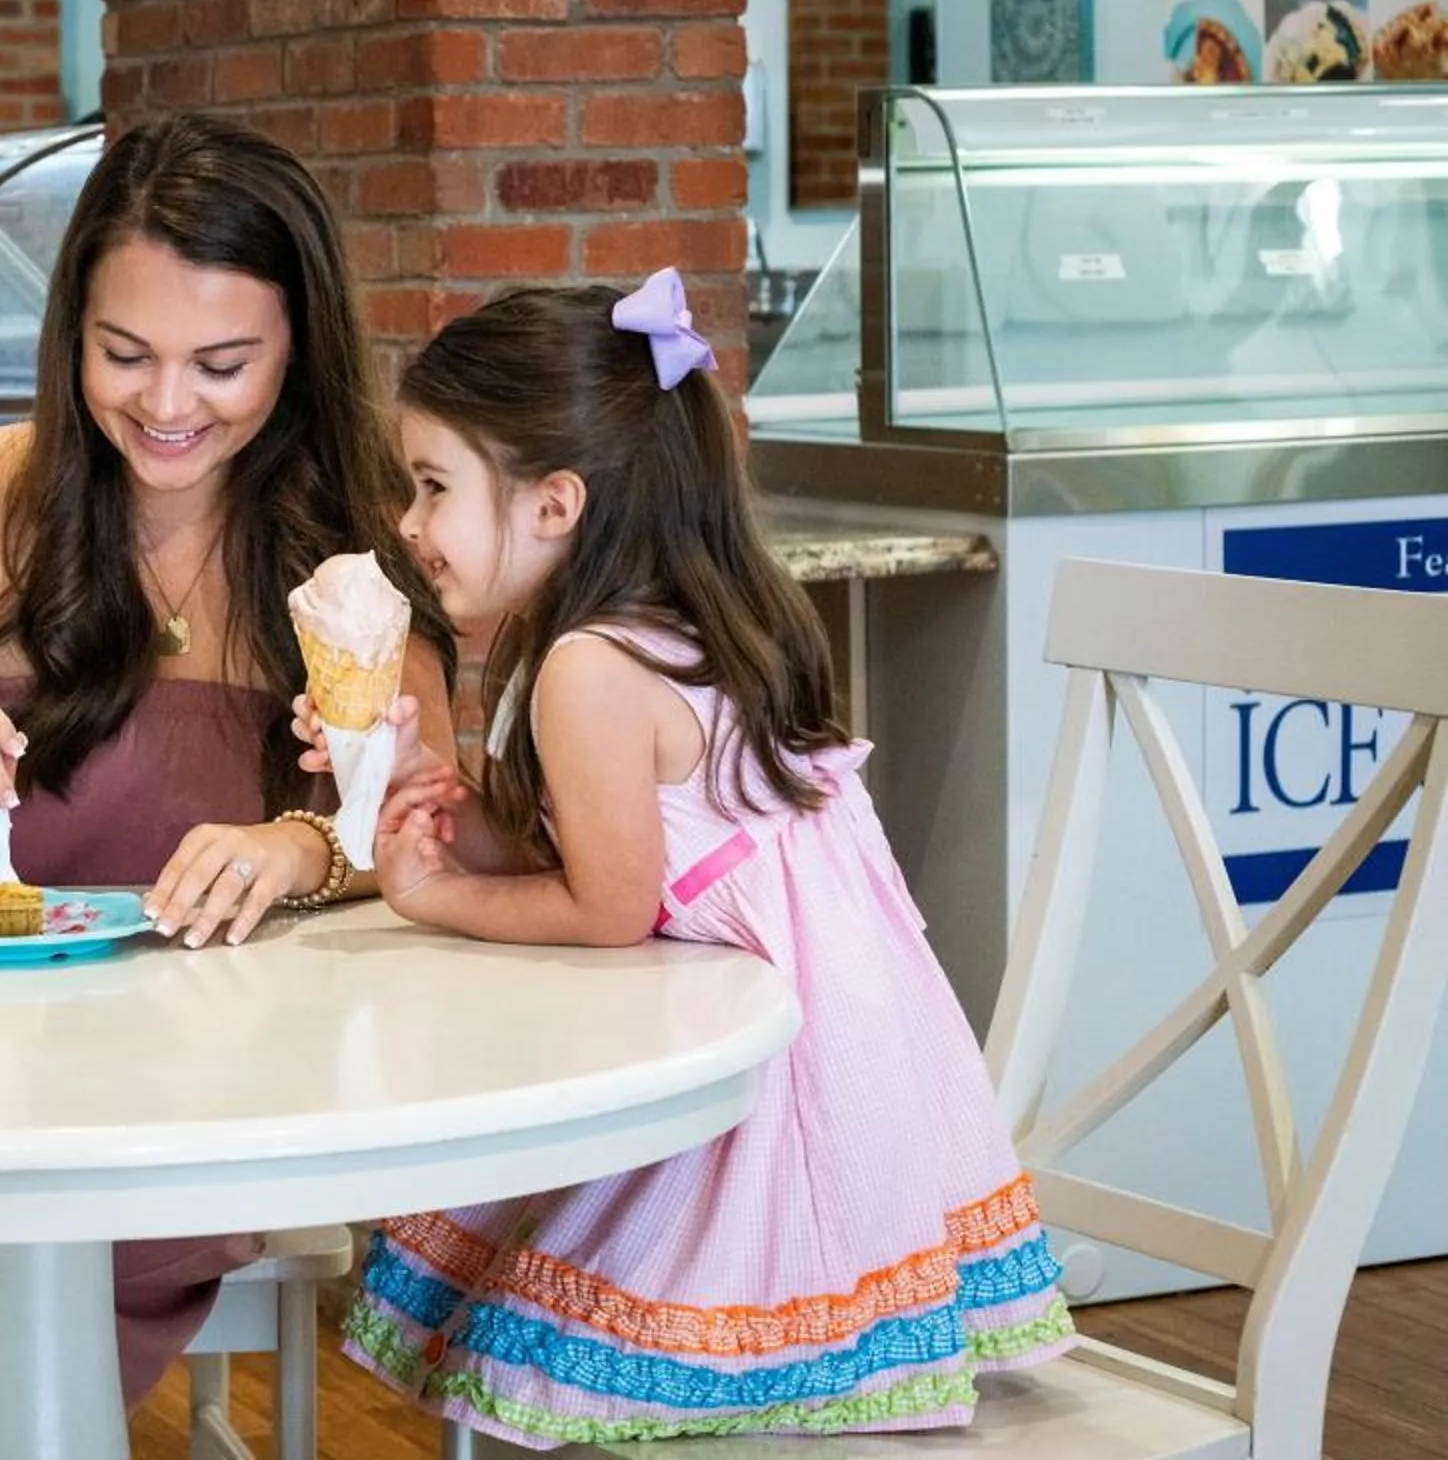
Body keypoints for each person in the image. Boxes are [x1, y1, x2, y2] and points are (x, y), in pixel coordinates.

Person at [0, 114, 454, 1459]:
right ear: (70, 328)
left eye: (224, 363)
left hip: (216, 1076)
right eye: (124, 354)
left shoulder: (353, 549)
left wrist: (299, 846)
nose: (168, 403)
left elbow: (416, 826)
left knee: (16, 1231)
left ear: (299, 347)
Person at [328, 269, 1074, 1447]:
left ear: (555, 502)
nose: (409, 523)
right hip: (853, 1073)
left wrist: (442, 892)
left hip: (772, 1108)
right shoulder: (665, 623)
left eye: (432, 486)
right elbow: (623, 849)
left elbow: (614, 902)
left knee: (549, 1326)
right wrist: (448, 808)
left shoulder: (588, 665)